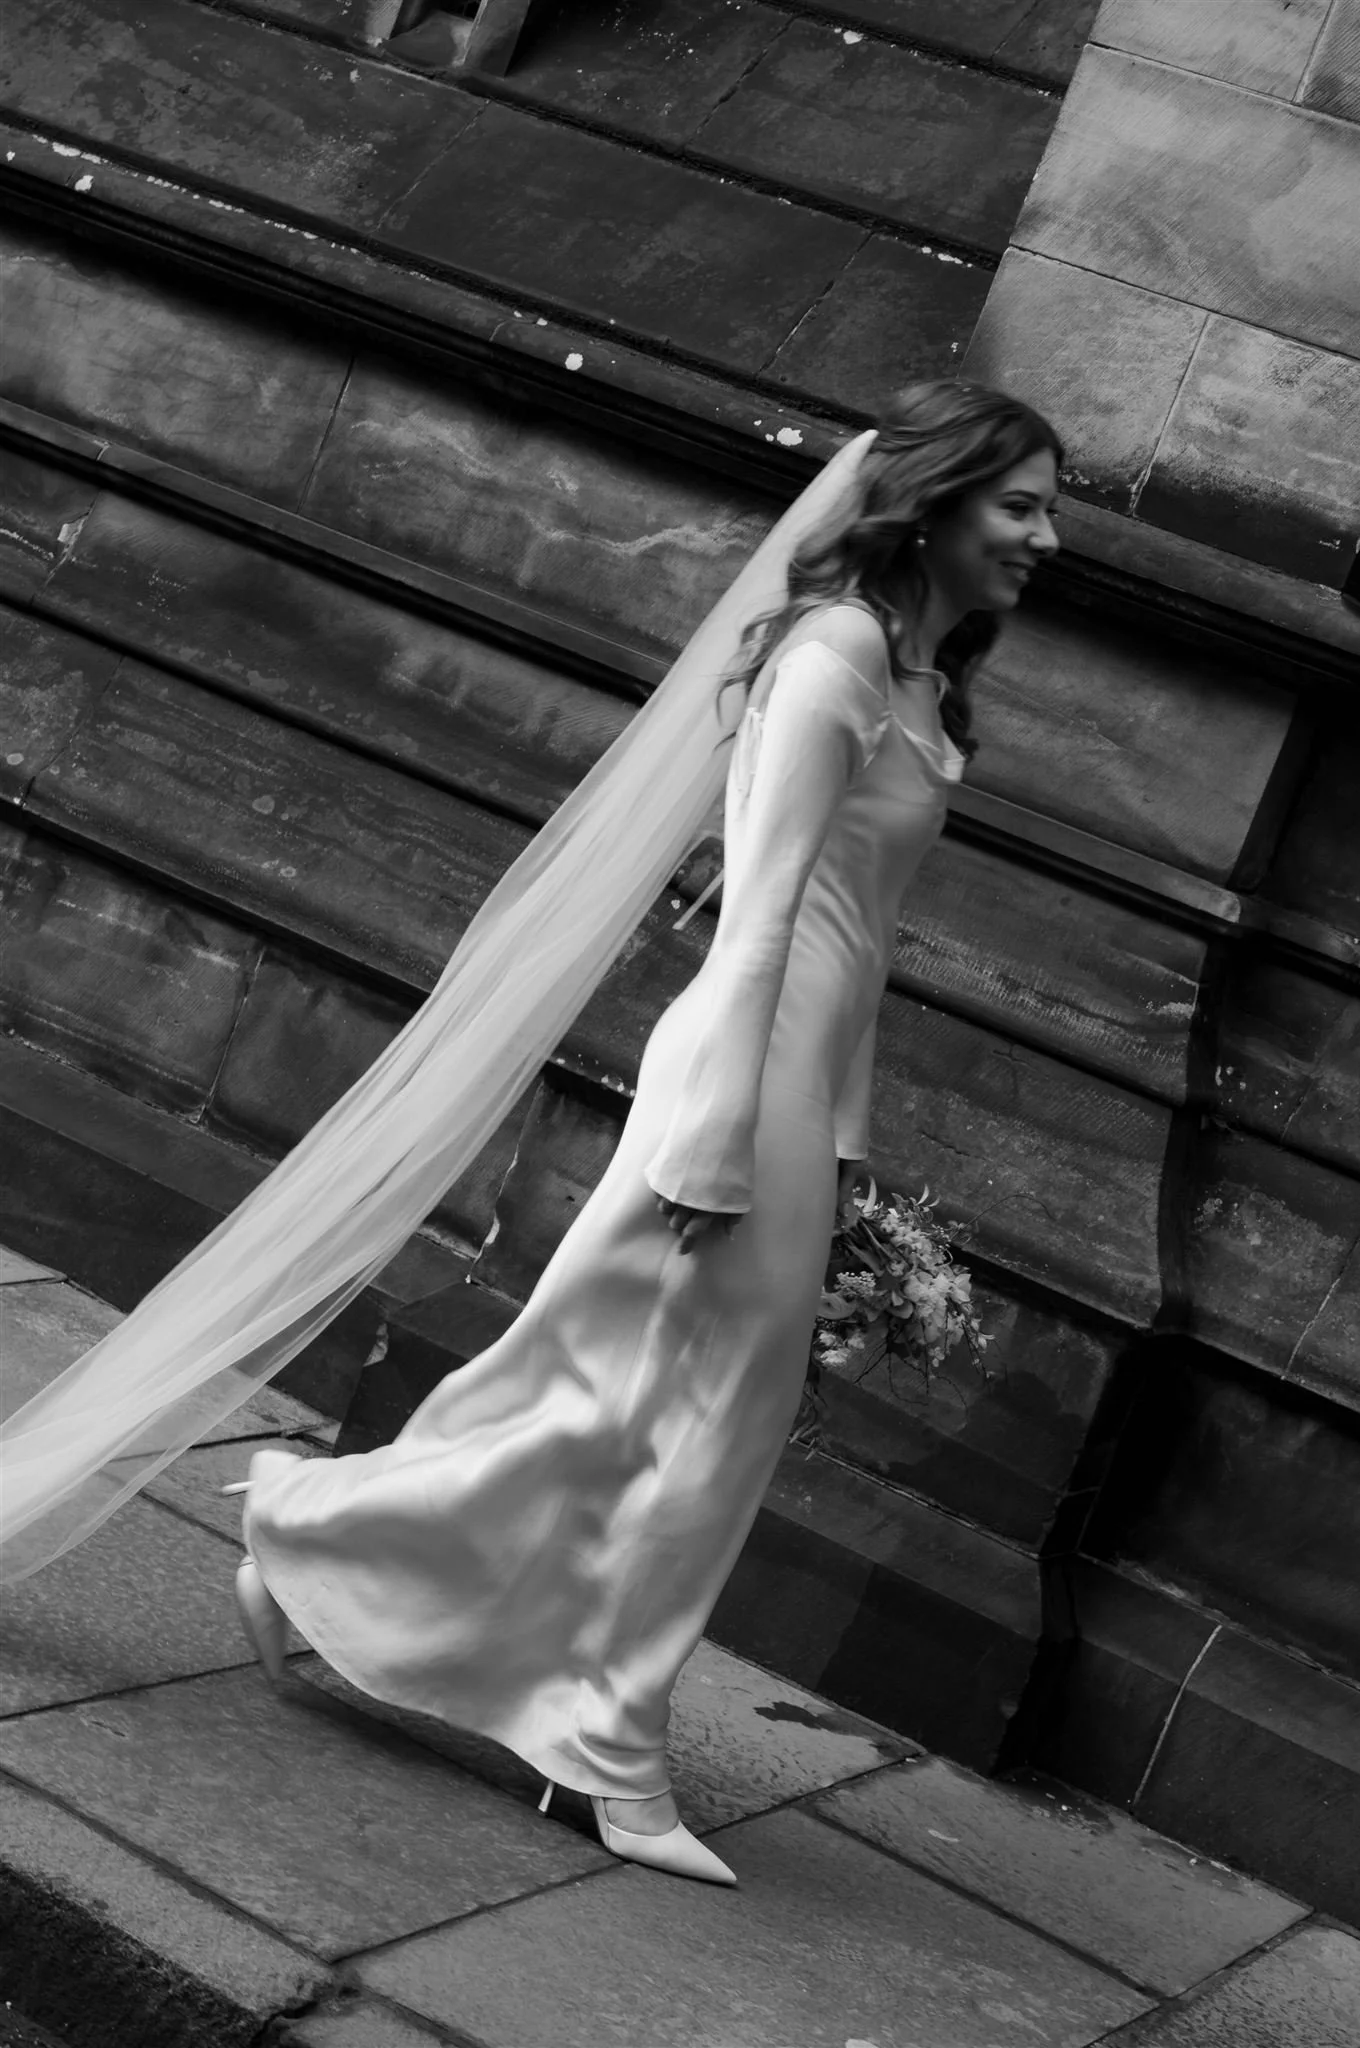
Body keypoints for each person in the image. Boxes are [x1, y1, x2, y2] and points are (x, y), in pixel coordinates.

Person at [227, 379, 1062, 1887]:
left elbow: (864, 947)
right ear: (934, 501)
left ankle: (336, 1559)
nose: (1046, 539)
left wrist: (853, 1147)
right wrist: (719, 1138)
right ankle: (585, 1734)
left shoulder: (928, 685)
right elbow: (758, 923)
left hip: (798, 1097)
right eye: (1022, 506)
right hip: (734, 1082)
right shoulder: (835, 660)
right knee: (661, 1418)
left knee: (637, 1404)